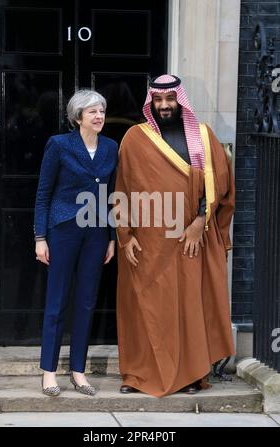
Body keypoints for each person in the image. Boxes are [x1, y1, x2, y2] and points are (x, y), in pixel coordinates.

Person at [115, 74, 235, 397]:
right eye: (159, 100)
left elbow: (219, 185)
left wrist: (199, 223)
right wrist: (125, 236)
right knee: (144, 307)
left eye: (170, 100)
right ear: (150, 102)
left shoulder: (202, 137)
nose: (165, 105)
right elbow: (123, 189)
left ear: (179, 101)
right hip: (147, 243)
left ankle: (193, 375)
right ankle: (137, 374)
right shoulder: (134, 139)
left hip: (188, 241)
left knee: (189, 307)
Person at [34, 90, 118, 396]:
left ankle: (79, 372)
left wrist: (111, 237)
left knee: (85, 302)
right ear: (78, 116)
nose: (99, 117)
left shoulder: (111, 147)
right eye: (92, 111)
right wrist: (40, 237)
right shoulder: (59, 145)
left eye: (102, 111)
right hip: (64, 230)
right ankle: (48, 372)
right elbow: (44, 193)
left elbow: (110, 196)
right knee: (57, 302)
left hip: (96, 233)